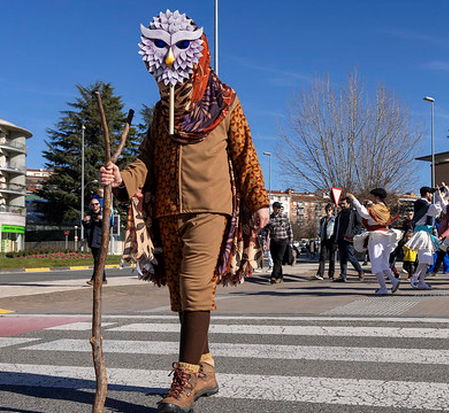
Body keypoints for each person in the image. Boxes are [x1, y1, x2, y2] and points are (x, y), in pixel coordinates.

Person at [99, 11, 270, 413]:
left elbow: (245, 153)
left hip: (211, 209)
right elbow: (144, 164)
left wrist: (258, 200)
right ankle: (205, 368)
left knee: (195, 287)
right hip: (168, 214)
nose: (168, 71)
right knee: (182, 295)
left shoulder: (224, 102)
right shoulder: (160, 114)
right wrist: (120, 177)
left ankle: (184, 378)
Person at [347, 189, 402, 294]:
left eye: (372, 197)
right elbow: (376, 212)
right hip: (386, 236)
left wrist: (354, 200)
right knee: (384, 263)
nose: (371, 198)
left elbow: (364, 213)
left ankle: (383, 287)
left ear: (376, 197)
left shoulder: (375, 208)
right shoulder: (384, 208)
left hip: (376, 236)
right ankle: (394, 281)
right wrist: (371, 204)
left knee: (376, 262)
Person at [406, 186, 442, 289]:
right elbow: (435, 209)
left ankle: (421, 281)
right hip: (421, 232)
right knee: (424, 257)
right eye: (431, 193)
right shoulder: (421, 203)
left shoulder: (426, 204)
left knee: (428, 258)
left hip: (427, 232)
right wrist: (443, 198)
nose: (431, 195)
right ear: (427, 194)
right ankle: (415, 277)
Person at [333, 197, 364, 282]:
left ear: (348, 204)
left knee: (350, 256)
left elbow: (359, 225)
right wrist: (335, 237)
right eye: (341, 204)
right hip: (340, 238)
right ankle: (343, 275)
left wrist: (352, 234)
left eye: (343, 204)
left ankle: (360, 271)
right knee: (342, 258)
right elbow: (336, 227)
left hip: (349, 238)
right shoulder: (340, 214)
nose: (342, 205)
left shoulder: (353, 213)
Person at [266, 202, 293, 284]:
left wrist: (291, 241)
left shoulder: (284, 217)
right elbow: (265, 231)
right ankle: (280, 277)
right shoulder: (269, 218)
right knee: (275, 260)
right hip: (274, 240)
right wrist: (264, 242)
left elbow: (289, 230)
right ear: (273, 208)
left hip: (283, 240)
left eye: (279, 208)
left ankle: (273, 276)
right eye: (277, 208)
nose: (278, 210)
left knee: (279, 259)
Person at [83, 198, 106, 286]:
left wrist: (102, 220)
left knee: (97, 261)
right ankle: (103, 278)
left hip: (101, 240)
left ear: (99, 205)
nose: (94, 206)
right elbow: (87, 227)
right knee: (98, 260)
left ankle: (94, 279)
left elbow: (108, 226)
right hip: (92, 240)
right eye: (92, 204)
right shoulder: (90, 214)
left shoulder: (103, 214)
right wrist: (85, 221)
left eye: (96, 204)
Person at [314, 204, 336, 280]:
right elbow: (321, 228)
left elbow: (336, 230)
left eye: (329, 210)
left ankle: (331, 274)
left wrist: (335, 238)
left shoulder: (334, 219)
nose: (328, 212)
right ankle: (320, 273)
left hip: (332, 240)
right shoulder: (323, 220)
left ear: (332, 211)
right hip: (324, 239)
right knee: (322, 257)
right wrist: (320, 235)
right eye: (327, 210)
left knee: (332, 258)